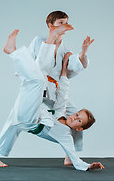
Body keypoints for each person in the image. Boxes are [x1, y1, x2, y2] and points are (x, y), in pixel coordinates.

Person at [0, 29, 104, 171]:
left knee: (38, 81)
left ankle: (13, 52)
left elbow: (78, 160)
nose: (74, 117)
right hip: (36, 107)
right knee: (37, 83)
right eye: (77, 115)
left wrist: (83, 53)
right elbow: (63, 92)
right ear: (51, 26)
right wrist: (64, 67)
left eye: (78, 120)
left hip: (31, 119)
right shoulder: (60, 112)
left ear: (78, 128)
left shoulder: (66, 135)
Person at [27, 11, 95, 165]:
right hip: (41, 91)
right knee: (20, 119)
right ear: (51, 25)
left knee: (79, 118)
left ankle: (70, 155)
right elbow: (32, 63)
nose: (65, 26)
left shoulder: (65, 50)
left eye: (66, 22)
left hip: (57, 91)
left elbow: (76, 64)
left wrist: (83, 52)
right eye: (61, 23)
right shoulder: (39, 41)